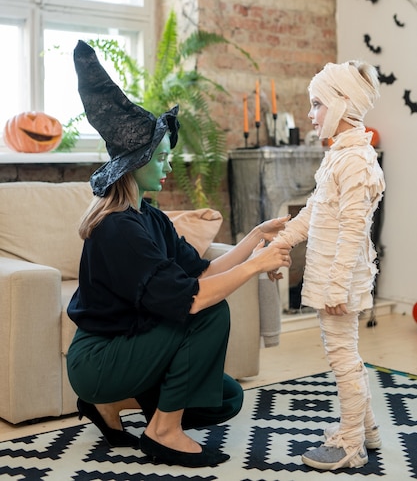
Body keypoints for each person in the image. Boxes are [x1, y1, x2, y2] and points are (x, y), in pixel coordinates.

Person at [66, 40, 291, 469]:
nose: (170, 168)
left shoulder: (149, 218)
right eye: (164, 158)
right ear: (137, 164)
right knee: (209, 312)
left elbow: (202, 270)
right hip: (97, 358)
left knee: (225, 398)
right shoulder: (117, 229)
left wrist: (254, 239)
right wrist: (258, 266)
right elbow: (192, 299)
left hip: (129, 348)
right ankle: (162, 431)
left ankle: (109, 406)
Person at [272, 60, 385, 471]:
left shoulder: (356, 162)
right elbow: (313, 214)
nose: (310, 113)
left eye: (317, 104)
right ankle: (368, 429)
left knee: (343, 358)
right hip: (329, 274)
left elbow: (354, 231)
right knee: (343, 352)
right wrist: (280, 243)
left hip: (341, 277)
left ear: (341, 105)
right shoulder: (339, 157)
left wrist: (337, 288)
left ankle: (351, 441)